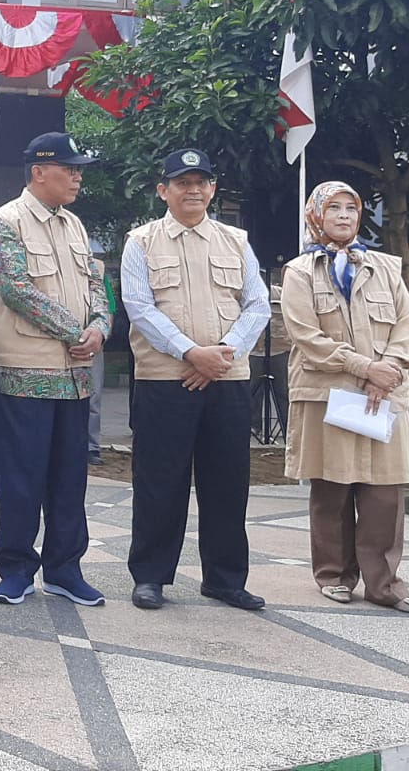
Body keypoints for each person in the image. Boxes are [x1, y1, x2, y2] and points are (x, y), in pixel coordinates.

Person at [121, 148, 272, 611]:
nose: (193, 190)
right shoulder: (141, 242)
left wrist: (221, 355)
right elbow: (139, 307)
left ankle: (225, 579)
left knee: (227, 483)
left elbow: (258, 305)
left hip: (226, 379)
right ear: (163, 190)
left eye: (200, 182)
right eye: (182, 182)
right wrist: (191, 352)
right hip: (166, 379)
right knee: (159, 482)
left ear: (212, 189)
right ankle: (150, 576)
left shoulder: (236, 241)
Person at [0, 132, 110, 608]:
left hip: (74, 376)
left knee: (70, 477)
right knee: (21, 478)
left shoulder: (74, 224)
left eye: (78, 169)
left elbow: (97, 282)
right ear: (38, 171)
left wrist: (99, 326)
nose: (77, 176)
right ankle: (15, 569)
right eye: (69, 168)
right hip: (22, 371)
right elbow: (15, 290)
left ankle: (64, 568)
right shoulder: (4, 223)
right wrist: (77, 333)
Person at [282, 181, 409, 615]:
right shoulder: (300, 272)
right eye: (334, 208)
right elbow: (306, 335)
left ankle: (385, 583)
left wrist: (388, 372)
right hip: (330, 394)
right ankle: (334, 575)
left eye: (351, 208)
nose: (344, 216)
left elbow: (405, 325)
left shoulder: (385, 266)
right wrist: (365, 368)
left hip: (381, 394)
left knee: (384, 491)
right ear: (316, 216)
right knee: (333, 487)